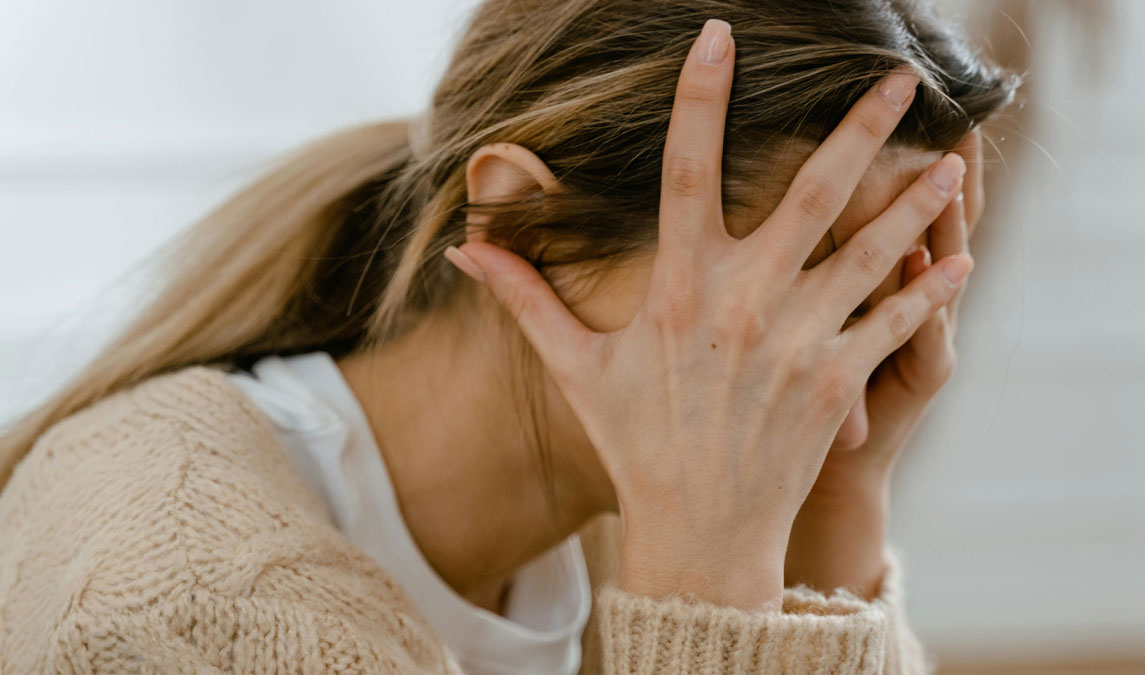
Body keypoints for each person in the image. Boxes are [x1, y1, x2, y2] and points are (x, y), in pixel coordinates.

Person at [0, 1, 1016, 672]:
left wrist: (836, 510)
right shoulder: (181, 610)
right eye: (799, 282)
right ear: (528, 228)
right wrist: (705, 601)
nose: (832, 366)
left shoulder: (627, 528)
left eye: (884, 284)